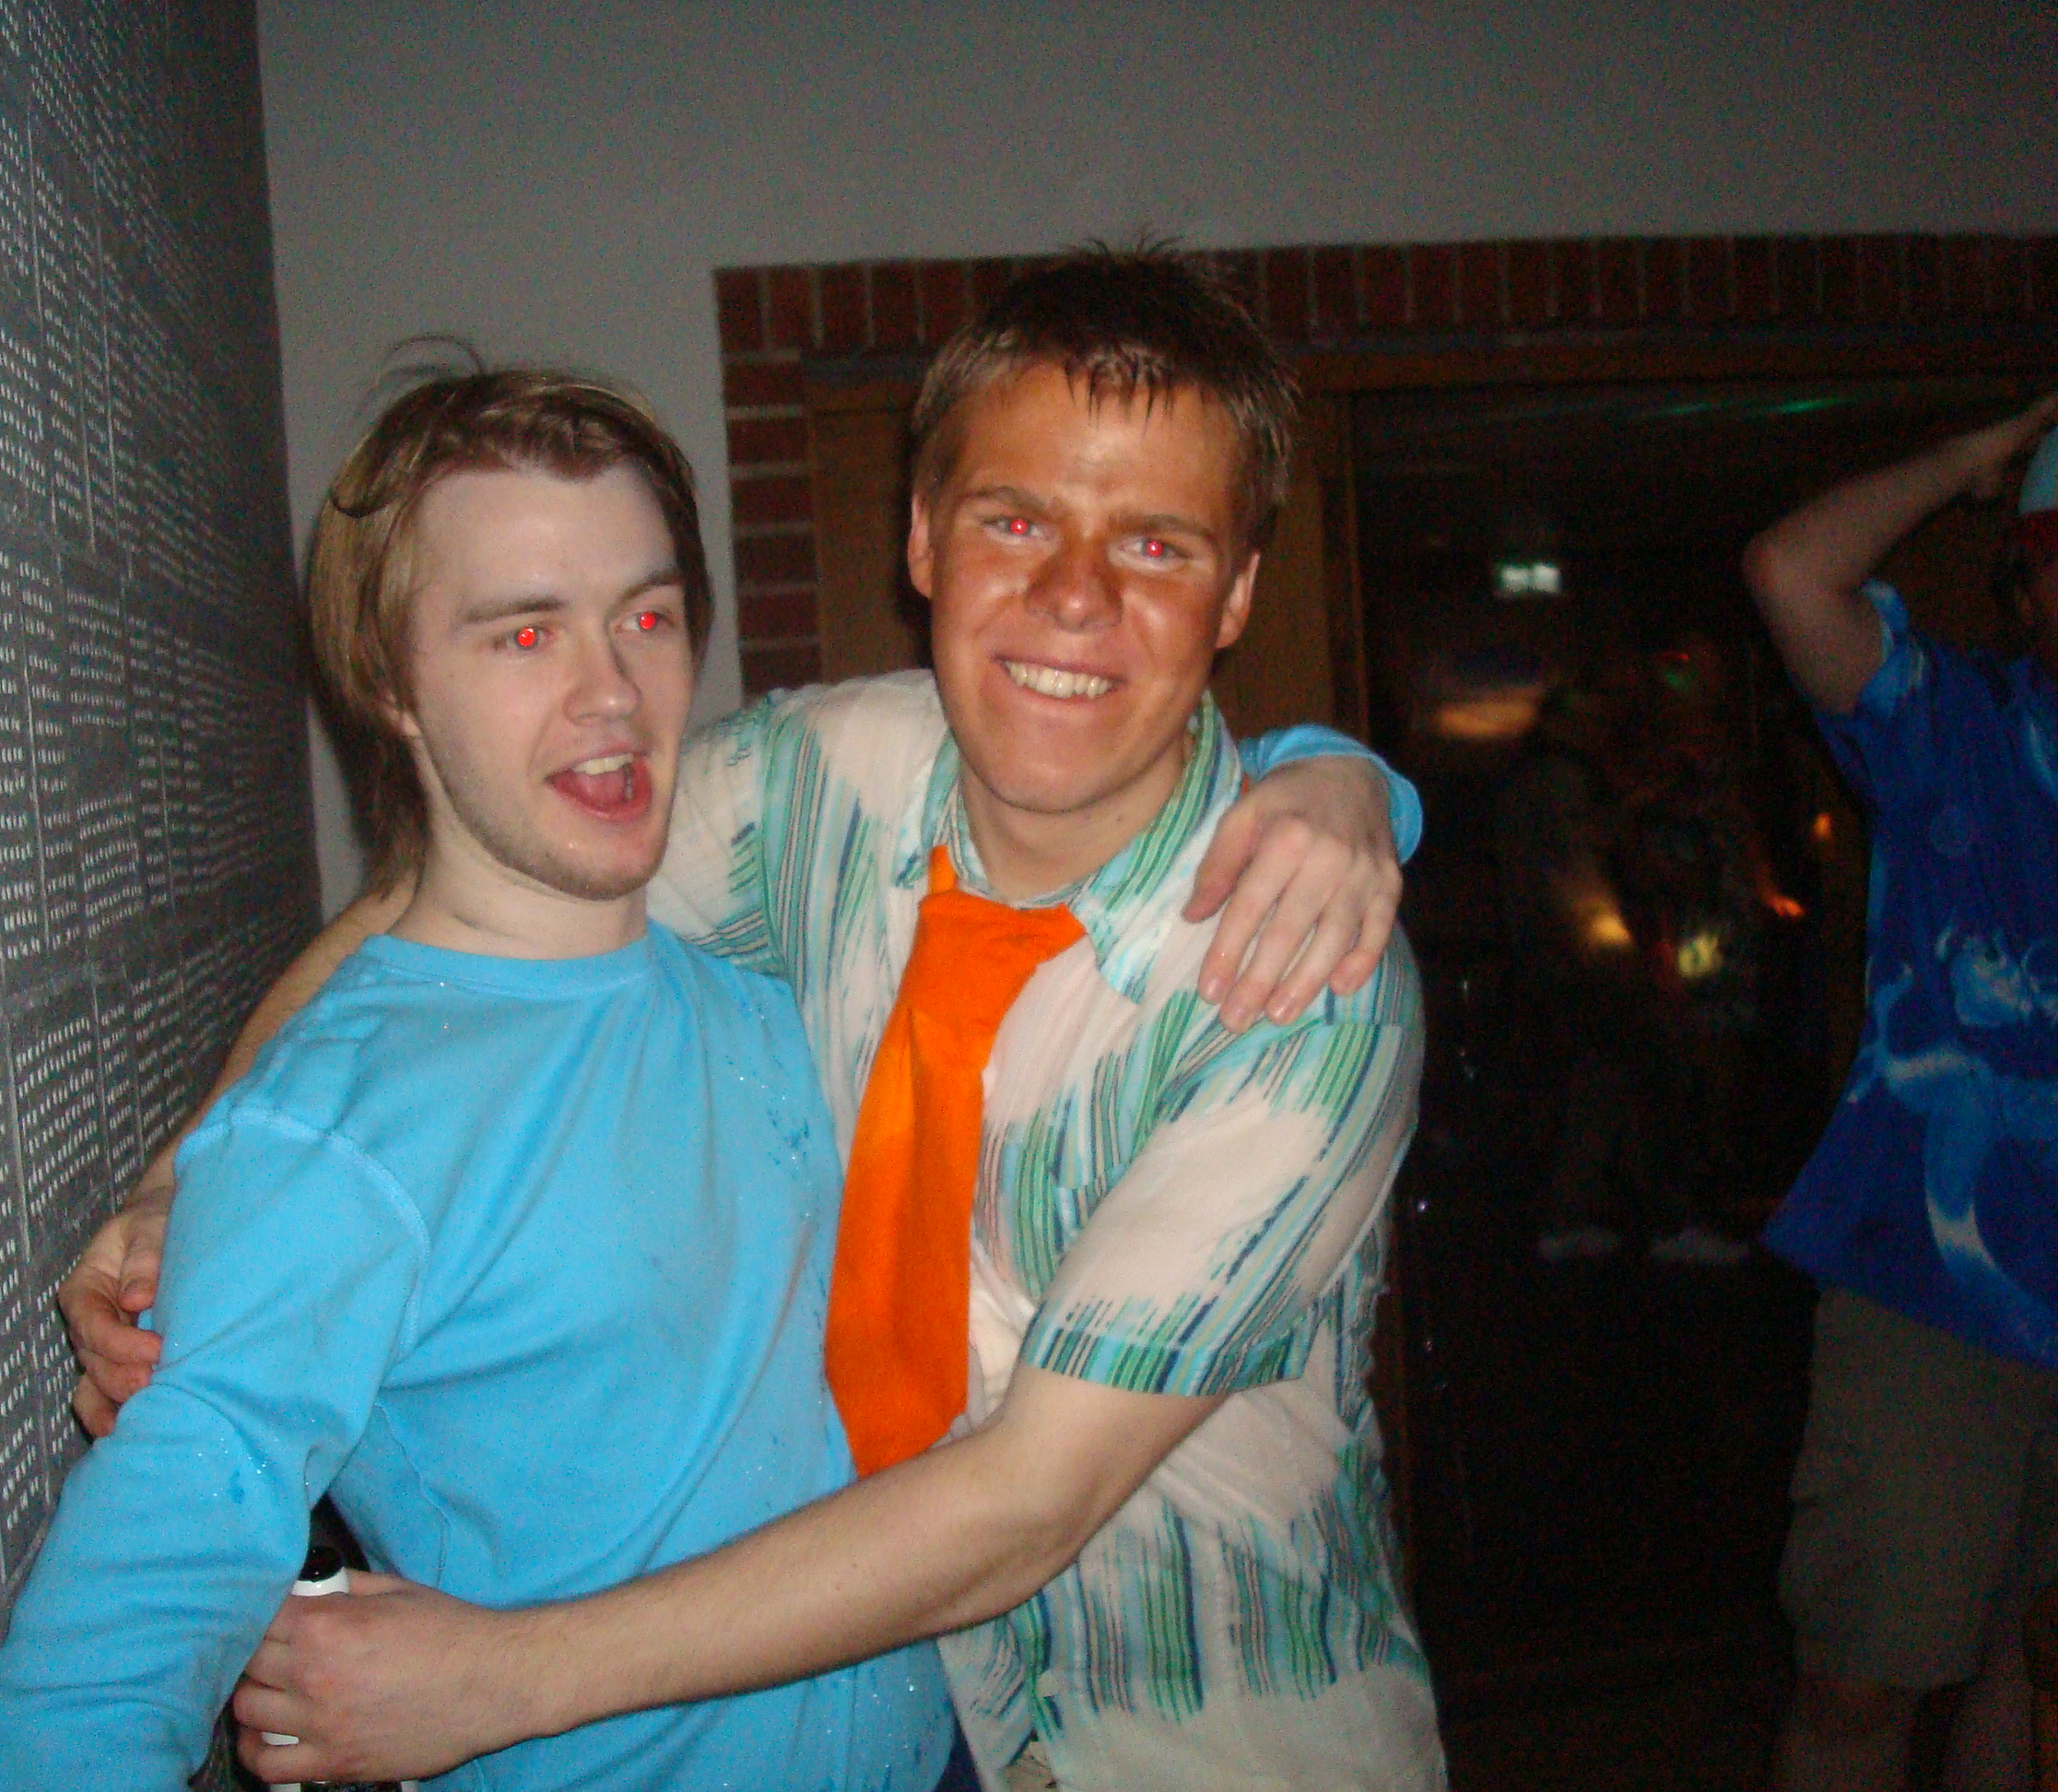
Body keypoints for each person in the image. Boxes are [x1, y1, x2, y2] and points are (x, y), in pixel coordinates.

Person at [73, 248, 1437, 1791]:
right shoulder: (818, 780)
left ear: (1238, 593)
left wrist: (497, 1679)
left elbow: (1027, 1505)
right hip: (888, 1713)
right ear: (921, 538)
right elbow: (438, 906)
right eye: (1015, 519)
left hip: (1209, 1749)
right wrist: (189, 1177)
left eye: (1157, 544)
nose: (1076, 596)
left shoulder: (1305, 982)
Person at [0, 371, 958, 1789]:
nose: (612, 692)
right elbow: (93, 1692)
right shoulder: (339, 1136)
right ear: (389, 681)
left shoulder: (774, 987)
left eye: (647, 617)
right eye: (525, 633)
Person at [1746, 393, 2058, 1792]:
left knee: (2027, 1663)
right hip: (1940, 1285)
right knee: (1862, 1680)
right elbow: (1788, 572)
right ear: (2026, 584)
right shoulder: (1957, 719)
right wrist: (1966, 461)